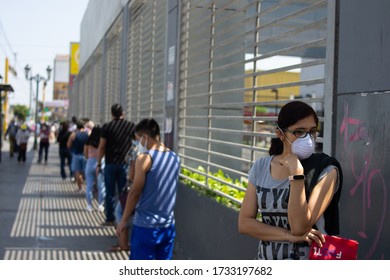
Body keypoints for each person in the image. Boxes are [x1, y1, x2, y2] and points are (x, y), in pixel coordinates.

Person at [238, 100, 343, 260]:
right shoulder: (261, 167)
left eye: (312, 131)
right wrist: (287, 236)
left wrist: (297, 175)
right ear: (280, 134)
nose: (308, 138)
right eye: (299, 132)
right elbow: (245, 223)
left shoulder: (326, 169)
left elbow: (300, 228)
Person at [116, 118, 181, 260]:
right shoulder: (175, 158)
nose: (139, 144)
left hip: (145, 227)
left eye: (139, 139)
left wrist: (123, 220)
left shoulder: (144, 159)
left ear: (145, 137)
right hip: (167, 227)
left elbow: (135, 192)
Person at [97, 104, 135, 226]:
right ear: (123, 113)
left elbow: (102, 146)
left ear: (112, 114)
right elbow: (137, 143)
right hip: (125, 164)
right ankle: (124, 218)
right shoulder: (131, 126)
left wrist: (98, 163)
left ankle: (110, 218)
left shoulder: (107, 127)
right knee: (124, 192)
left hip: (110, 164)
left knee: (110, 192)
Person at [84, 125, 106, 212]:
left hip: (90, 163)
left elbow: (85, 154)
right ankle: (100, 205)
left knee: (89, 185)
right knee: (101, 186)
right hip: (100, 163)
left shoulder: (88, 141)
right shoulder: (102, 142)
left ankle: (89, 205)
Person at [67, 120, 89, 191]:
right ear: (84, 126)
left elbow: (68, 145)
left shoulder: (74, 134)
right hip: (86, 155)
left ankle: (79, 187)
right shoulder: (87, 134)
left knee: (77, 171)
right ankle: (88, 187)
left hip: (76, 154)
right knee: (86, 171)